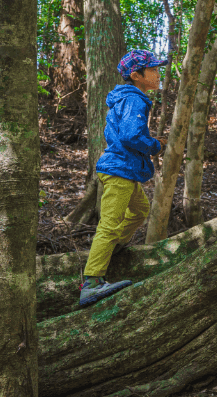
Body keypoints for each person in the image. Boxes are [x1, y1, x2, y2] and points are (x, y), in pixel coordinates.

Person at [79, 49, 167, 307]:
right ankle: (92, 281)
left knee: (140, 209)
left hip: (122, 170)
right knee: (109, 223)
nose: (158, 74)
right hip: (118, 171)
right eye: (153, 70)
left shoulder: (126, 98)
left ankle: (113, 248)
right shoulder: (134, 99)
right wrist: (155, 145)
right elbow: (131, 136)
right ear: (137, 75)